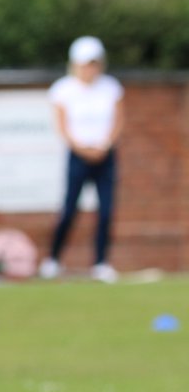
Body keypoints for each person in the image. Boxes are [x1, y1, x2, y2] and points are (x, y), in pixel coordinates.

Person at [41, 36, 125, 284]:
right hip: (78, 156)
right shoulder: (63, 89)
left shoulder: (111, 87)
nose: (90, 69)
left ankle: (101, 263)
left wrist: (105, 145)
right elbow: (62, 126)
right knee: (69, 210)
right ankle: (53, 259)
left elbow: (119, 120)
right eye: (85, 63)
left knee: (106, 210)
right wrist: (82, 149)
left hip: (105, 155)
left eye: (94, 63)